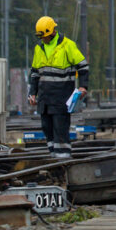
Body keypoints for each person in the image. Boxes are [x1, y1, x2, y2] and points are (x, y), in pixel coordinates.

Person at [27, 15, 89, 158]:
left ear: (52, 32)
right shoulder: (39, 48)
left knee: (60, 130)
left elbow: (83, 66)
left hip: (62, 98)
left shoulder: (68, 45)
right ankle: (54, 156)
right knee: (46, 127)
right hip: (45, 98)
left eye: (45, 36)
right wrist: (32, 93)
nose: (43, 39)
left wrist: (83, 86)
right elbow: (35, 73)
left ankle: (63, 159)